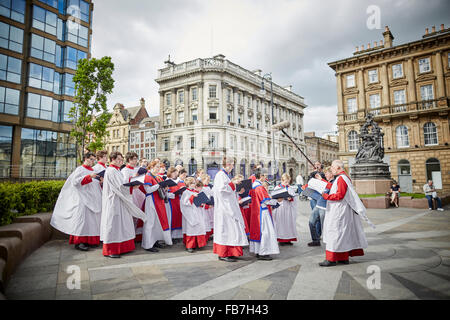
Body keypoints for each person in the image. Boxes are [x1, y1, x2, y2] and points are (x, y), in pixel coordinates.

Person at [319, 160, 374, 267]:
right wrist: (323, 183)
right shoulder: (342, 177)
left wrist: (326, 196)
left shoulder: (341, 178)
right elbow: (336, 188)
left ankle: (331, 259)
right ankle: (343, 257)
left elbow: (339, 195)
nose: (331, 169)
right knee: (341, 234)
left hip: (339, 211)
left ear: (339, 168)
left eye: (333, 167)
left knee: (335, 233)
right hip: (342, 210)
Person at [51, 152, 102, 251]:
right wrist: (89, 177)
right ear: (86, 159)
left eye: (94, 160)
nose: (93, 162)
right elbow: (75, 182)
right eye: (91, 159)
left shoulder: (94, 170)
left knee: (92, 221)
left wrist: (100, 181)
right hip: (82, 199)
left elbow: (95, 184)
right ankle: (79, 242)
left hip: (93, 199)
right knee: (82, 221)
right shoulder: (80, 169)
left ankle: (90, 241)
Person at [100, 151, 147, 258]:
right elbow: (119, 187)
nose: (121, 161)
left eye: (121, 160)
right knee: (113, 224)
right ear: (112, 160)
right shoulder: (111, 171)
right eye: (119, 159)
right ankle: (112, 249)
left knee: (122, 224)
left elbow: (122, 185)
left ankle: (123, 247)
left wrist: (132, 185)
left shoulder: (116, 170)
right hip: (114, 200)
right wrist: (132, 187)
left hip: (120, 199)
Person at [212, 157, 249, 262]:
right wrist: (234, 184)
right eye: (232, 164)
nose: (232, 167)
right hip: (224, 208)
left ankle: (230, 252)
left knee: (231, 230)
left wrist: (238, 190)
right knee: (225, 230)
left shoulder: (226, 175)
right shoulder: (220, 175)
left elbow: (229, 191)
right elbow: (221, 190)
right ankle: (223, 253)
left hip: (229, 207)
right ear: (227, 164)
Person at [141, 160, 173, 252]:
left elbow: (160, 189)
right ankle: (147, 244)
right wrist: (159, 186)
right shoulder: (147, 176)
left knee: (156, 223)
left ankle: (154, 241)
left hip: (158, 201)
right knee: (150, 223)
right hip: (151, 201)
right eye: (157, 167)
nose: (159, 169)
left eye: (159, 167)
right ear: (151, 167)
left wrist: (165, 188)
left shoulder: (158, 177)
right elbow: (148, 190)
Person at [249, 169, 279, 260]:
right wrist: (277, 201)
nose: (266, 177)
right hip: (263, 211)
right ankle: (264, 252)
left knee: (258, 231)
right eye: (264, 175)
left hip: (256, 211)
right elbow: (265, 200)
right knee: (265, 232)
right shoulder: (259, 187)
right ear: (261, 176)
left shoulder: (253, 186)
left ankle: (258, 251)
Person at [306, 167, 334, 247]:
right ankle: (315, 240)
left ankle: (330, 244)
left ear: (331, 174)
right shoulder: (326, 182)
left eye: (326, 173)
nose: (325, 174)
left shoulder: (334, 182)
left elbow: (330, 187)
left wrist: (321, 179)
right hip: (318, 204)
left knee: (324, 226)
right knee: (311, 222)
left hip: (324, 207)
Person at [121, 152, 146, 242]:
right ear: (129, 160)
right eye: (133, 159)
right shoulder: (124, 170)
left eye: (136, 159)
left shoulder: (138, 169)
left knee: (140, 213)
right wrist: (133, 178)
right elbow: (123, 183)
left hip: (139, 193)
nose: (135, 161)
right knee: (132, 214)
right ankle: (131, 235)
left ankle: (138, 234)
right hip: (131, 193)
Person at [180, 178, 207, 253]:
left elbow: (197, 202)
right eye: (193, 183)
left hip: (197, 212)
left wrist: (202, 204)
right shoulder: (185, 192)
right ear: (188, 184)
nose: (194, 184)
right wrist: (192, 197)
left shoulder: (195, 191)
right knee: (191, 229)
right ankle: (190, 246)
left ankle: (198, 244)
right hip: (190, 213)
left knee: (199, 227)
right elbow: (184, 203)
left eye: (194, 183)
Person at [272, 173, 298, 246]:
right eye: (285, 182)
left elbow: (294, 198)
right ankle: (281, 239)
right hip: (280, 208)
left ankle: (288, 239)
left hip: (288, 208)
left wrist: (291, 199)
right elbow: (274, 197)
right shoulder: (277, 188)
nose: (287, 183)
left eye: (288, 182)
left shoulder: (290, 188)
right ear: (282, 180)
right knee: (281, 224)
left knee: (288, 223)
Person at [166, 167, 184, 242]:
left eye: (176, 172)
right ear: (170, 173)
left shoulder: (180, 181)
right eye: (173, 172)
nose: (175, 174)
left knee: (179, 217)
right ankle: (171, 237)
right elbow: (165, 193)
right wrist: (172, 195)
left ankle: (178, 236)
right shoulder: (167, 181)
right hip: (170, 202)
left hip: (179, 201)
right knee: (171, 218)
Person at [200, 173, 214, 240]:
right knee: (205, 222)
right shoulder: (201, 188)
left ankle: (209, 235)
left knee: (211, 221)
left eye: (209, 180)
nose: (208, 181)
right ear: (203, 180)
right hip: (205, 208)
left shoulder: (209, 187)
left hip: (211, 207)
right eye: (207, 180)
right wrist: (206, 205)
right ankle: (205, 237)